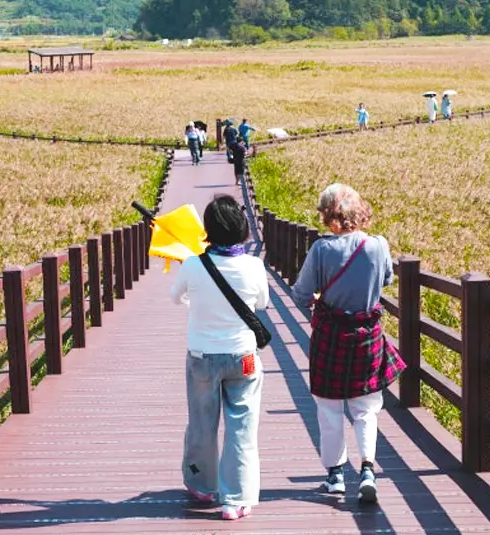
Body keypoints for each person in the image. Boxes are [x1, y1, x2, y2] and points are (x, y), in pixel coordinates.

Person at [292, 184, 405, 504]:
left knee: (329, 407)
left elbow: (300, 294)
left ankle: (336, 476)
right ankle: (367, 470)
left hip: (330, 335)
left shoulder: (321, 249)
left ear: (329, 215)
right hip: (367, 335)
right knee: (366, 407)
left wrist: (317, 299)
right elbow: (386, 279)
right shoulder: (378, 244)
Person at [169, 195, 269, 521]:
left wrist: (193, 286)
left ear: (208, 229)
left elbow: (175, 297)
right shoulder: (254, 265)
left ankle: (202, 485)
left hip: (202, 357)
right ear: (241, 228)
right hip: (244, 357)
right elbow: (261, 304)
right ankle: (236, 500)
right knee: (242, 427)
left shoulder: (193, 264)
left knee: (202, 423)